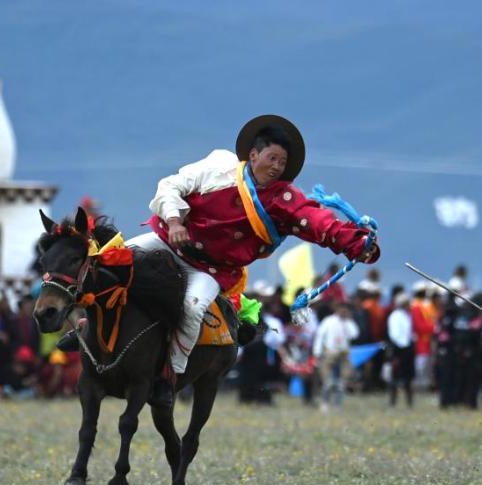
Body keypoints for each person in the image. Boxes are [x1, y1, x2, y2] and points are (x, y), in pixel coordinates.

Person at [127, 115, 379, 381]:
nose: (277, 167)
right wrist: (174, 221)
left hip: (211, 270)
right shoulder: (219, 165)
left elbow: (316, 220)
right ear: (253, 155)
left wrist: (357, 244)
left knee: (193, 306)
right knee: (111, 260)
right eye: (272, 158)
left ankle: (171, 375)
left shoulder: (284, 198)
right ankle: (95, 342)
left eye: (282, 162)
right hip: (167, 240)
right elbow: (170, 185)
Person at [313, 302, 359, 410]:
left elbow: (354, 334)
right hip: (330, 353)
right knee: (327, 381)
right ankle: (325, 403)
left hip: (343, 354)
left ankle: (337, 405)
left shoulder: (348, 322)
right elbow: (320, 336)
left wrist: (348, 321)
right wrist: (317, 352)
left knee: (341, 382)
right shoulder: (328, 321)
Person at [386, 292, 414, 407]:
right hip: (398, 349)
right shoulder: (395, 316)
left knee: (408, 377)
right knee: (395, 377)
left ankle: (409, 402)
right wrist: (402, 346)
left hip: (407, 348)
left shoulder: (407, 316)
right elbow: (395, 335)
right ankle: (393, 402)